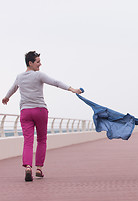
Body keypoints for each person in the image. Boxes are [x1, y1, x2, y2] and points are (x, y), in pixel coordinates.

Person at [2, 51, 82, 182]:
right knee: (41, 140)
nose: (40, 64)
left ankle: (28, 167)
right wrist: (72, 89)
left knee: (28, 141)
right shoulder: (38, 75)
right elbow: (55, 82)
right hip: (40, 111)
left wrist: (6, 97)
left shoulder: (19, 77)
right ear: (30, 63)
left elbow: (13, 88)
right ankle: (38, 169)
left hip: (25, 112)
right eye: (38, 62)